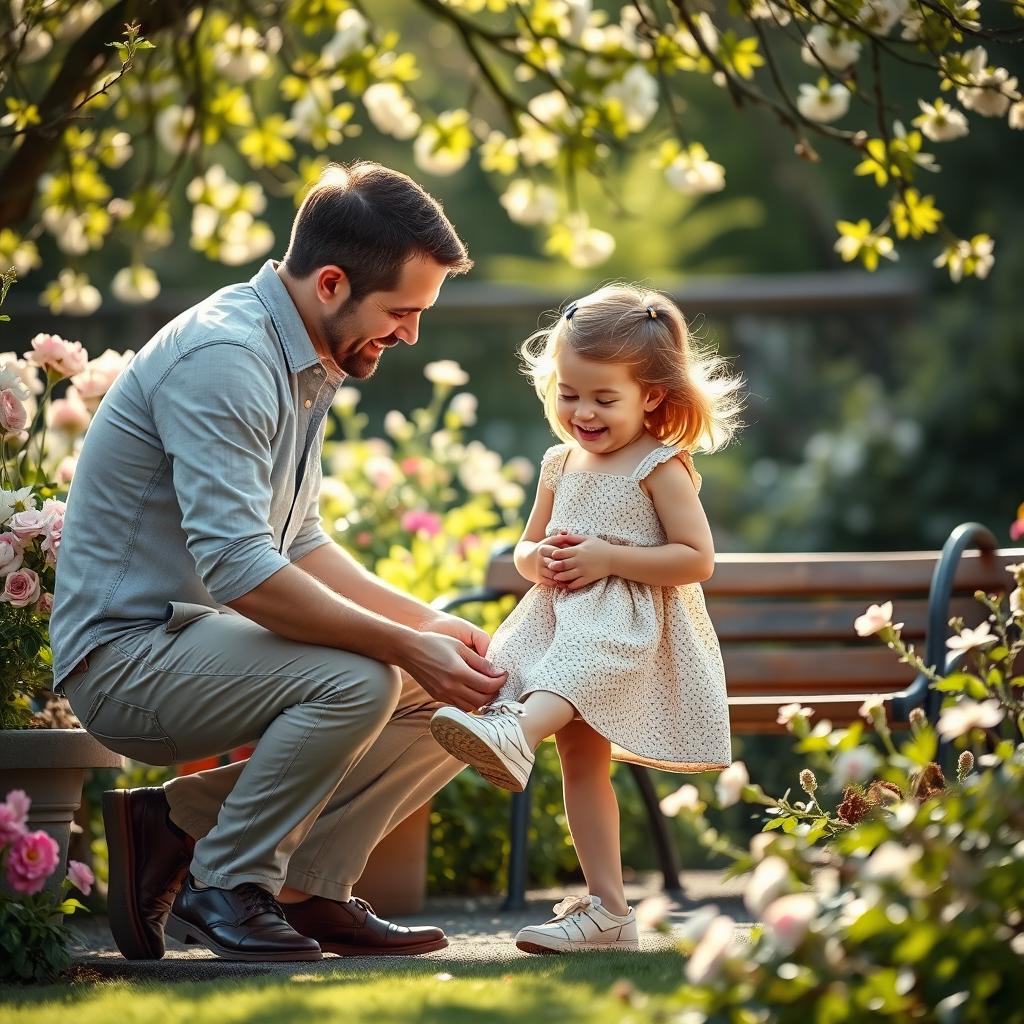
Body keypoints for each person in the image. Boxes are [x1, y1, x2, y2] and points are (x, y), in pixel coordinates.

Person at [50, 161, 508, 963]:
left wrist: (429, 627)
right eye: (402, 311)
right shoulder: (226, 358)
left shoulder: (300, 351)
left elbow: (298, 544)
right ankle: (223, 882)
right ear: (331, 282)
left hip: (201, 645)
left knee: (456, 695)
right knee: (363, 677)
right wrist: (401, 647)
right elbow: (240, 570)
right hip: (124, 659)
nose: (411, 334)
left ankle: (300, 885)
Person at [430, 283, 744, 954]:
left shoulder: (661, 465)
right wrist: (536, 559)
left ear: (652, 396)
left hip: (624, 626)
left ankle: (514, 733)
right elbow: (524, 547)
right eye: (570, 394)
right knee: (580, 759)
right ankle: (608, 911)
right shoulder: (558, 461)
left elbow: (697, 559)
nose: (583, 412)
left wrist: (608, 557)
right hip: (563, 616)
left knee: (569, 688)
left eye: (605, 399)